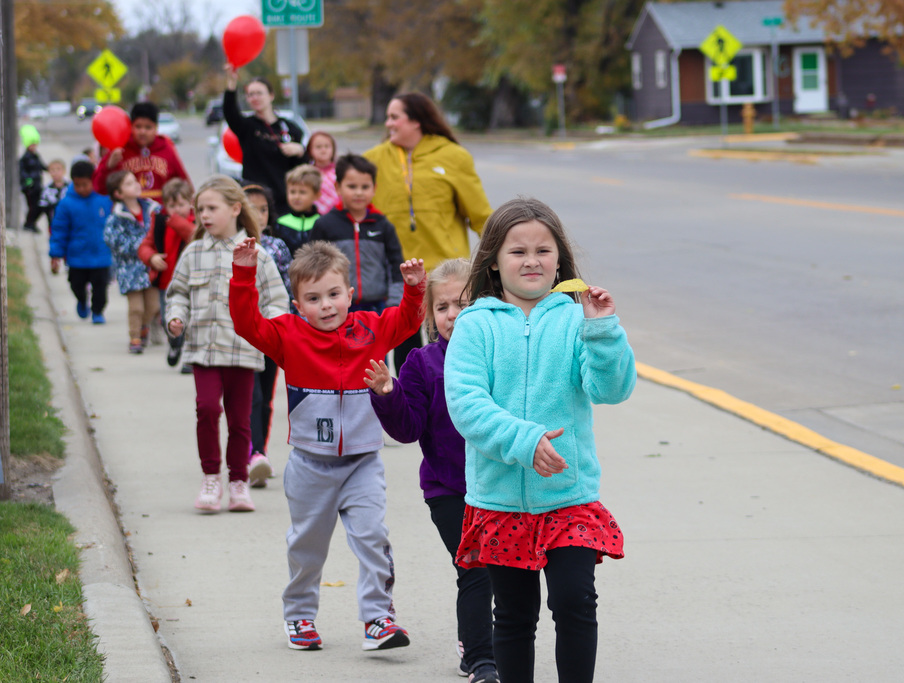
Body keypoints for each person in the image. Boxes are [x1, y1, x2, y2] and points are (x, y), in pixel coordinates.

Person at [444, 197, 636, 683]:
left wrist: (602, 329)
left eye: (543, 250)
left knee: (575, 602)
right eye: (518, 251)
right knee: (513, 614)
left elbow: (611, 390)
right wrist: (525, 442)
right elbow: (467, 404)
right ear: (493, 261)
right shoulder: (475, 324)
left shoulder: (575, 320)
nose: (532, 261)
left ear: (559, 259)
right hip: (500, 500)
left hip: (568, 496)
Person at [229, 239, 425, 653]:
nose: (326, 306)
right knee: (307, 546)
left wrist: (414, 288)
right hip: (309, 465)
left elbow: (409, 321)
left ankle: (378, 618)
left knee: (373, 537)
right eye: (313, 298)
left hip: (363, 463)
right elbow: (247, 324)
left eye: (334, 294)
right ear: (298, 305)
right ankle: (299, 614)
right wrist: (244, 273)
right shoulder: (287, 335)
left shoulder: (372, 328)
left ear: (350, 294)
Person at [363, 257, 498, 682]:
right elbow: (407, 429)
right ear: (430, 315)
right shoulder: (421, 364)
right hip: (448, 489)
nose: (452, 315)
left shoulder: (502, 355)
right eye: (442, 307)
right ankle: (481, 659)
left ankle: (479, 640)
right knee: (474, 568)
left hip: (499, 485)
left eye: (463, 304)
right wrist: (389, 394)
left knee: (504, 574)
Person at [165, 175, 289, 514]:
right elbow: (177, 294)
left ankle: (238, 481)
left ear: (235, 209)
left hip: (242, 352)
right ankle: (210, 479)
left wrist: (271, 331)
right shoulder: (193, 252)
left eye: (211, 208)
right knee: (206, 409)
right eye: (200, 209)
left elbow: (276, 300)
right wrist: (176, 317)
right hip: (203, 351)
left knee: (240, 420)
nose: (204, 215)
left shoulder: (256, 254)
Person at [364, 92, 491, 373]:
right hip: (399, 276)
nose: (388, 123)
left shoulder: (453, 156)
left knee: (447, 353)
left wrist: (500, 258)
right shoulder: (373, 159)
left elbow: (481, 216)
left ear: (416, 121)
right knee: (406, 356)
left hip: (446, 274)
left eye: (394, 117)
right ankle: (412, 400)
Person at [242, 183, 292, 488]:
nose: (258, 215)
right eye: (251, 208)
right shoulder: (233, 245)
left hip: (272, 332)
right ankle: (253, 452)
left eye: (263, 209)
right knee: (251, 395)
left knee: (266, 397)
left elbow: (286, 289)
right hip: (242, 334)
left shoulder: (277, 247)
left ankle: (259, 452)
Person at [309, 154, 404, 314]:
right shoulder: (324, 225)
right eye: (352, 186)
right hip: (337, 307)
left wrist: (394, 303)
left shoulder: (383, 225)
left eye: (365, 187)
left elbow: (396, 266)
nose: (359, 192)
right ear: (338, 187)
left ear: (374, 188)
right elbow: (313, 267)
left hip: (379, 306)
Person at [223, 68, 306, 215]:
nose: (255, 98)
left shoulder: (289, 128)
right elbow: (230, 112)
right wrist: (231, 84)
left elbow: (303, 166)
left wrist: (300, 151)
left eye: (259, 93)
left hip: (284, 201)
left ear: (271, 95)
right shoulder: (247, 127)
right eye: (250, 94)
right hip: (256, 200)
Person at [138, 178, 197, 369]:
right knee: (168, 320)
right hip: (167, 283)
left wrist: (178, 222)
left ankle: (189, 359)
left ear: (191, 204)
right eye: (172, 206)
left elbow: (195, 237)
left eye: (181, 204)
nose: (177, 210)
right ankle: (175, 344)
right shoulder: (160, 222)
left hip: (191, 283)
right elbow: (145, 246)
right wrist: (152, 257)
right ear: (165, 206)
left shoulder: (195, 222)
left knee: (191, 321)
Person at [104, 171, 161, 354]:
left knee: (153, 305)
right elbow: (112, 240)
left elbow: (162, 230)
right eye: (129, 183)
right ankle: (135, 337)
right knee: (136, 307)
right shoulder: (117, 217)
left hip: (151, 267)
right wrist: (141, 246)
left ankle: (145, 326)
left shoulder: (152, 209)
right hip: (129, 269)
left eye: (135, 181)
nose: (136, 184)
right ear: (118, 193)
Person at [48, 161, 113, 324]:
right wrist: (56, 254)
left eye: (85, 184)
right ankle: (82, 300)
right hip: (77, 256)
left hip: (101, 255)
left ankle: (97, 311)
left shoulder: (104, 199)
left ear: (93, 181)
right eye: (77, 185)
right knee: (76, 284)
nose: (82, 189)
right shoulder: (66, 204)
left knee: (100, 287)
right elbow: (59, 230)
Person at [93, 102, 191, 202]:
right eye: (138, 126)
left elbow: (185, 185)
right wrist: (108, 166)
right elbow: (99, 188)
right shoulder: (120, 149)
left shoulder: (165, 148)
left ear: (156, 128)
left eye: (148, 127)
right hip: (130, 210)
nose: (142, 132)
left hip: (161, 210)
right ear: (130, 127)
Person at [276, 164, 322, 256]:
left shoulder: (322, 222)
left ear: (316, 195)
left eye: (302, 192)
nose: (296, 197)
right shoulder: (279, 223)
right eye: (292, 192)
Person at [19, 124, 45, 233]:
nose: (34, 146)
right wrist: (28, 182)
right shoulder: (25, 158)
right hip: (30, 187)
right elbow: (22, 172)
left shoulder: (36, 156)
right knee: (33, 207)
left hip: (37, 185)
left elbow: (41, 166)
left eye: (35, 144)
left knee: (40, 206)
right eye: (32, 144)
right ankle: (29, 224)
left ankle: (31, 223)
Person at [307, 131, 338, 214]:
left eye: (327, 146)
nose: (323, 150)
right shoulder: (307, 173)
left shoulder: (340, 171)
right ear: (310, 150)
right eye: (318, 147)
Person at [40, 159, 69, 233]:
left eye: (58, 169)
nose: (55, 173)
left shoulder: (69, 187)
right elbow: (43, 204)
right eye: (52, 170)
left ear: (64, 171)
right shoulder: (47, 189)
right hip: (53, 221)